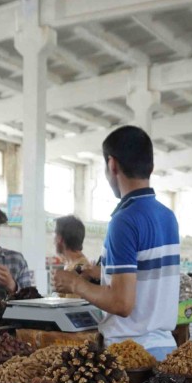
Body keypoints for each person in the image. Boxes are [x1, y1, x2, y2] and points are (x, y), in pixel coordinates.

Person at [52, 126, 181, 360]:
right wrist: (102, 274)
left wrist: (74, 284)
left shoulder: (124, 220)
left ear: (112, 164)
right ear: (150, 165)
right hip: (164, 349)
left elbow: (122, 303)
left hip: (131, 355)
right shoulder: (167, 217)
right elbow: (144, 277)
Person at [53, 215, 93, 298]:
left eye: (55, 235)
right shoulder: (71, 265)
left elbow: (70, 307)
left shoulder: (81, 268)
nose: (53, 240)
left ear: (60, 239)